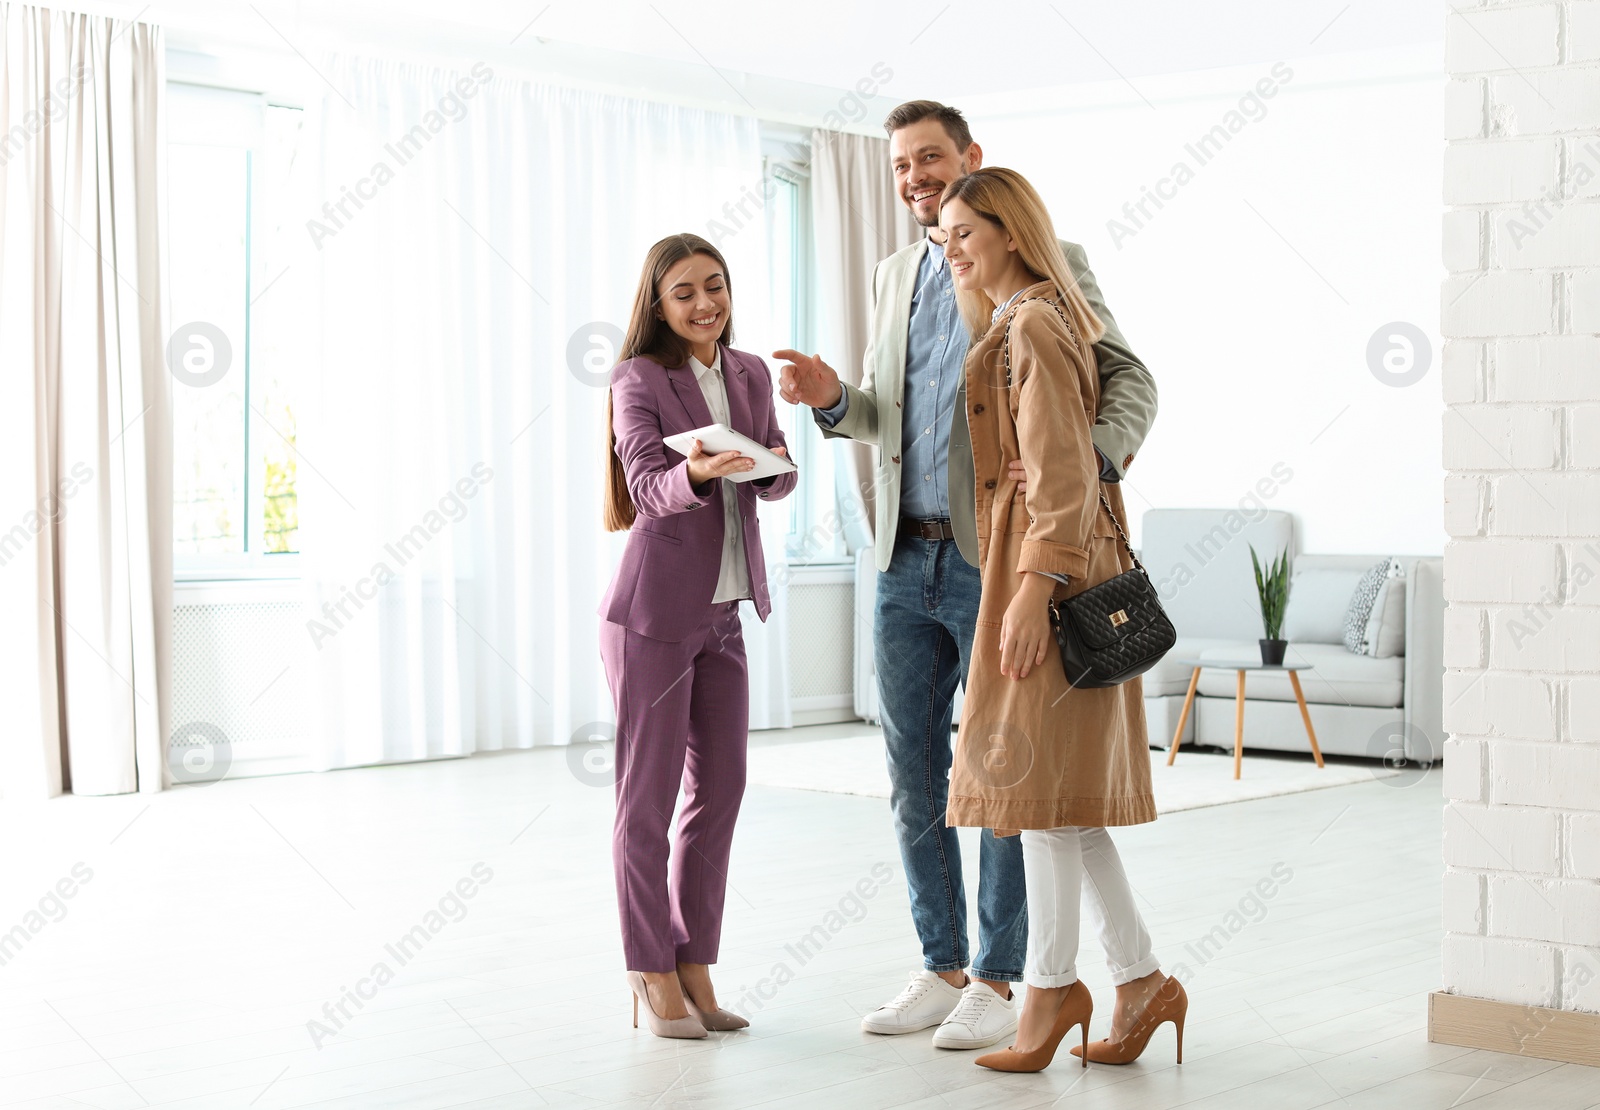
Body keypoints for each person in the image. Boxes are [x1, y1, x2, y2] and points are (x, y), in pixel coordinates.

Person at [774, 100, 1156, 1051]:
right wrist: (832, 402)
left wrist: (1079, 461)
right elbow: (887, 416)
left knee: (1006, 771)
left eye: (931, 157)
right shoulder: (898, 272)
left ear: (971, 158)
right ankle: (942, 964)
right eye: (900, 164)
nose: (913, 176)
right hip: (905, 554)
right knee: (915, 774)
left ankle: (1003, 974)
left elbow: (1127, 381)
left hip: (1002, 555)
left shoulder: (1039, 263)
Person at [936, 166, 1185, 1073]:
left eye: (966, 231)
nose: (951, 246)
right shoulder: (1020, 319)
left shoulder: (1034, 322)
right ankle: (1141, 980)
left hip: (1044, 566)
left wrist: (1035, 589)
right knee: (1062, 805)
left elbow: (1064, 473)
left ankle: (1048, 991)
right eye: (944, 236)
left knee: (1035, 795)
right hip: (1036, 561)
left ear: (1010, 231)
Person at [599, 232, 797, 1038]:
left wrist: (770, 463)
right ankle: (649, 970)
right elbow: (647, 482)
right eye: (685, 292)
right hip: (651, 618)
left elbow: (777, 478)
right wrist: (699, 472)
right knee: (643, 804)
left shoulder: (747, 372)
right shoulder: (638, 378)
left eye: (714, 286)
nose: (705, 303)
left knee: (718, 794)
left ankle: (695, 963)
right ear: (658, 303)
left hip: (725, 614)